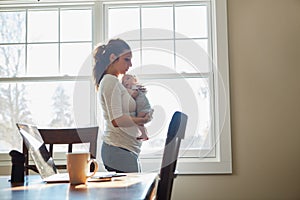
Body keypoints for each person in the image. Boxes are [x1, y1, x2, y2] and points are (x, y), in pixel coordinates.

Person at [92, 38, 152, 173]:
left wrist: (137, 93)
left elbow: (126, 108)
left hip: (126, 150)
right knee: (133, 193)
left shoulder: (116, 83)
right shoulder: (109, 81)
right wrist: (142, 120)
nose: (130, 64)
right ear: (113, 58)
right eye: (126, 59)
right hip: (118, 150)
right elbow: (117, 120)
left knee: (135, 192)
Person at [122, 74, 153, 141]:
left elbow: (134, 94)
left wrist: (125, 89)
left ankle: (144, 134)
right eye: (123, 81)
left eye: (128, 78)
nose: (125, 81)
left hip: (143, 108)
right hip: (143, 108)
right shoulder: (133, 87)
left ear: (134, 80)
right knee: (140, 123)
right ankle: (144, 134)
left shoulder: (134, 86)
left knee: (138, 121)